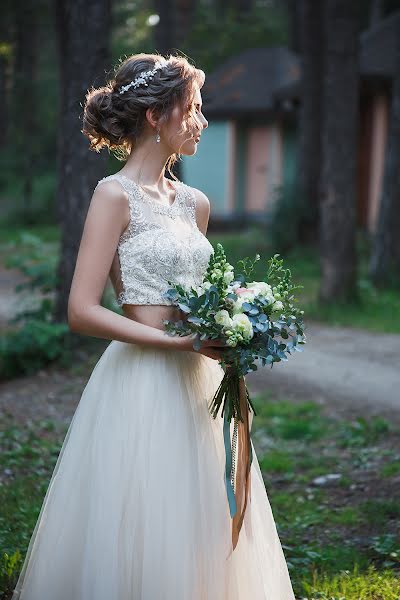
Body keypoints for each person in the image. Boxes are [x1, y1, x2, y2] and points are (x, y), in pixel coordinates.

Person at [12, 53, 295, 599]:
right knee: (144, 513)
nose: (202, 121)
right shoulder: (113, 196)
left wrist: (230, 321)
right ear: (155, 116)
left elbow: (199, 294)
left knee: (200, 514)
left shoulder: (196, 204)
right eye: (194, 108)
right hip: (140, 382)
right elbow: (82, 308)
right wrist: (177, 340)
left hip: (200, 382)